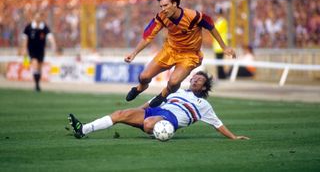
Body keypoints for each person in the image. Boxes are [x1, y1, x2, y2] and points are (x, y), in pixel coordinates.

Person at [124, 0, 236, 107]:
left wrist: (224, 47)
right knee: (144, 76)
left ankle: (163, 94)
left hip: (190, 55)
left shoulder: (193, 16)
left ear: (175, 3)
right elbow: (148, 37)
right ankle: (140, 87)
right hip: (170, 50)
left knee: (173, 81)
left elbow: (211, 26)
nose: (163, 9)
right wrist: (134, 53)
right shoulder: (161, 17)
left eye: (166, 5)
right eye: (161, 6)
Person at [68, 71, 249, 140]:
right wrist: (139, 110)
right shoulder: (177, 91)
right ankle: (83, 129)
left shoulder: (204, 105)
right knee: (121, 113)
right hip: (158, 110)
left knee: (148, 124)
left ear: (204, 86)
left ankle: (159, 130)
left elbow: (218, 124)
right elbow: (155, 100)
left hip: (171, 119)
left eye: (200, 79)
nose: (195, 79)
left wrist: (233, 137)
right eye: (194, 77)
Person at [21, 13, 56, 91]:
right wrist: (24, 49)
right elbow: (25, 39)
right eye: (36, 16)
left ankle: (37, 84)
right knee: (35, 64)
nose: (38, 18)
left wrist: (53, 45)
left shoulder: (44, 27)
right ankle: (36, 85)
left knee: (39, 68)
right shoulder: (29, 27)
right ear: (34, 17)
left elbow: (50, 37)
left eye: (39, 17)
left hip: (41, 50)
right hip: (32, 50)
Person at [212, 8, 229, 79]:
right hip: (217, 45)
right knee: (218, 61)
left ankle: (222, 76)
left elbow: (215, 30)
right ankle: (221, 75)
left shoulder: (223, 21)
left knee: (220, 61)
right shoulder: (218, 21)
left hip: (220, 45)